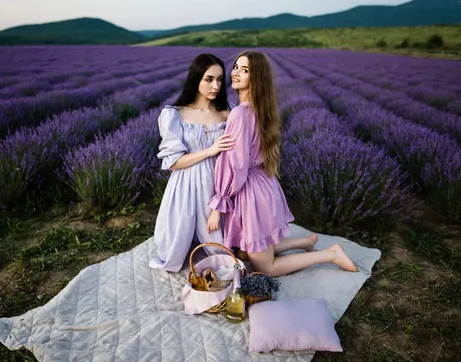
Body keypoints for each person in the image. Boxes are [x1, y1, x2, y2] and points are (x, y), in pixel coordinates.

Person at [207, 50, 359, 277]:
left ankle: (331, 254)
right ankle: (306, 241)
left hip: (250, 193)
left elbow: (236, 165)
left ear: (257, 78)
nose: (236, 73)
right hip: (264, 186)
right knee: (246, 254)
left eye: (245, 70)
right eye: (236, 66)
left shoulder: (239, 113)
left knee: (267, 268)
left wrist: (219, 204)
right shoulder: (261, 109)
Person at [149, 53, 235, 273]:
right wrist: (211, 150)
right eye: (209, 79)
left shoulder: (228, 111)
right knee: (174, 245)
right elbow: (174, 162)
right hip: (186, 182)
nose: (215, 86)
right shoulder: (174, 114)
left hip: (219, 181)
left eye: (219, 79)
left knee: (224, 247)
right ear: (196, 78)